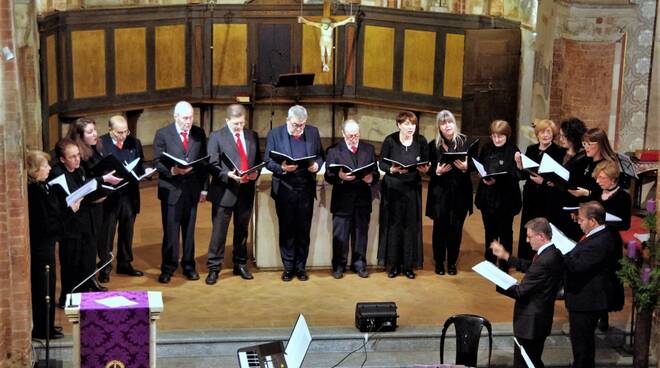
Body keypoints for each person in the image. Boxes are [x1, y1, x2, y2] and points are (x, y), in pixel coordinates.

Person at [490, 217, 564, 368]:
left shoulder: (544, 261)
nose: (527, 240)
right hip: (540, 320)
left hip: (531, 324)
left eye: (530, 237)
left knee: (525, 364)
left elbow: (519, 291)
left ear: (541, 236)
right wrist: (506, 256)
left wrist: (496, 278)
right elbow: (530, 266)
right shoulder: (553, 253)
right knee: (533, 361)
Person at [50, 139, 115, 307]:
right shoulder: (57, 174)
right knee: (71, 266)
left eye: (78, 155)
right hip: (70, 229)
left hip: (86, 224)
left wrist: (99, 192)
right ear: (63, 159)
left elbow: (85, 190)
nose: (77, 159)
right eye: (72, 157)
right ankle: (68, 299)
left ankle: (83, 299)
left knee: (87, 265)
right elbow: (66, 198)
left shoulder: (79, 170)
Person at [264, 105, 324, 281]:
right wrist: (281, 167)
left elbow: (320, 155)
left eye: (303, 125)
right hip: (284, 188)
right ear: (287, 120)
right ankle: (288, 267)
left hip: (305, 188)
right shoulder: (275, 134)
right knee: (287, 229)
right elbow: (267, 161)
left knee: (303, 230)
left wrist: (316, 165)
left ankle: (301, 267)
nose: (299, 129)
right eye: (296, 125)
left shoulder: (313, 132)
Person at [65, 118, 123, 291]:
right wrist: (102, 181)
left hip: (98, 205)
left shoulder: (95, 149)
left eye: (95, 130)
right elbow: (81, 182)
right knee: (85, 247)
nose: (95, 134)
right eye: (89, 132)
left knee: (93, 244)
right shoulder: (78, 155)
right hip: (85, 207)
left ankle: (91, 279)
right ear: (79, 136)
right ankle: (84, 282)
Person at [205, 104, 261, 285]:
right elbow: (212, 164)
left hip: (246, 190)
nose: (239, 127)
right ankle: (214, 267)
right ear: (227, 120)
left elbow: (257, 160)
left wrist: (255, 174)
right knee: (219, 232)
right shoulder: (216, 137)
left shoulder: (252, 135)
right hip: (225, 191)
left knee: (242, 230)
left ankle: (240, 264)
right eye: (235, 124)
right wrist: (227, 174)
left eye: (242, 123)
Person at [153, 101, 208, 284]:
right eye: (185, 118)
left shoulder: (198, 133)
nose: (189, 122)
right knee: (171, 231)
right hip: (172, 189)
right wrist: (173, 171)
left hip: (192, 190)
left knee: (189, 231)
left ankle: (188, 266)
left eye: (191, 117)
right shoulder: (163, 134)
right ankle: (168, 267)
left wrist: (204, 189)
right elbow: (157, 162)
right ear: (176, 116)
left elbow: (204, 163)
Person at [324, 119, 379, 279]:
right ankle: (339, 266)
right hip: (342, 200)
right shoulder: (334, 150)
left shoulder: (368, 149)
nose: (353, 139)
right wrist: (339, 176)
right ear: (343, 134)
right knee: (340, 236)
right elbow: (329, 175)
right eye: (350, 136)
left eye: (356, 135)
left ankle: (359, 265)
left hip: (362, 200)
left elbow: (374, 173)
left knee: (361, 235)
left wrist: (371, 179)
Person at [378, 111, 429, 279]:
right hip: (393, 188)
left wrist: (425, 169)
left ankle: (408, 266)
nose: (410, 127)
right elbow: (382, 163)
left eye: (413, 124)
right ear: (399, 125)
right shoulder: (390, 140)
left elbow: (426, 162)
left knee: (409, 227)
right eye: (407, 124)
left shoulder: (421, 141)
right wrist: (391, 169)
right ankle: (393, 265)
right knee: (394, 227)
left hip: (411, 188)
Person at [564, 201, 615, 368]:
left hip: (587, 301)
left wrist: (560, 251)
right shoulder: (594, 236)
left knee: (583, 346)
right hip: (583, 299)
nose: (578, 222)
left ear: (592, 221)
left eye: (580, 220)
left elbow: (578, 267)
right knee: (581, 345)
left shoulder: (600, 241)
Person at [426, 110, 476, 276]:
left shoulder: (466, 142)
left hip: (460, 193)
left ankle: (452, 262)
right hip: (440, 193)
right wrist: (437, 171)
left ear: (455, 124)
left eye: (450, 122)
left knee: (456, 229)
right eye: (443, 123)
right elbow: (427, 168)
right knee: (439, 229)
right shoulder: (433, 145)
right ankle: (439, 262)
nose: (447, 126)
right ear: (439, 126)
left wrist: (466, 167)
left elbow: (476, 166)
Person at [97, 115, 146, 282]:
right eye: (119, 133)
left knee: (127, 231)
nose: (124, 135)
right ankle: (105, 267)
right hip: (110, 197)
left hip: (129, 195)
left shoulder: (134, 143)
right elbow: (97, 170)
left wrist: (143, 172)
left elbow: (141, 164)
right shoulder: (100, 143)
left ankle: (125, 263)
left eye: (126, 131)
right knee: (107, 235)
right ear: (110, 130)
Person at [26, 150, 67, 340]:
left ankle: (48, 325)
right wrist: (67, 212)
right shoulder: (34, 192)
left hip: (48, 244)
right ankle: (42, 329)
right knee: (43, 289)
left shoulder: (42, 186)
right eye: (45, 166)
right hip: (41, 247)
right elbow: (44, 222)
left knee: (50, 287)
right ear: (34, 171)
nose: (50, 168)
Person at [514, 119, 565, 260]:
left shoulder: (559, 152)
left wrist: (544, 181)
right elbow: (524, 174)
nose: (545, 135)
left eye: (549, 132)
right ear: (537, 134)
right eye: (542, 132)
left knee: (543, 228)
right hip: (531, 194)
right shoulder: (531, 149)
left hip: (547, 196)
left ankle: (542, 260)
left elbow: (559, 178)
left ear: (553, 134)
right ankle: (526, 258)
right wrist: (519, 164)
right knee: (529, 225)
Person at [475, 120, 521, 268]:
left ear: (507, 135)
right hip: (488, 197)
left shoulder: (513, 150)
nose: (496, 140)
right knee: (490, 231)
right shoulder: (487, 148)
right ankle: (490, 259)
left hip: (505, 199)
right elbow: (481, 167)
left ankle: (504, 263)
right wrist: (481, 175)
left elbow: (517, 175)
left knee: (505, 233)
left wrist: (498, 180)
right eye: (494, 136)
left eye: (500, 136)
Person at [592, 160, 630, 331]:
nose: (598, 181)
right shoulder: (596, 194)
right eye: (597, 177)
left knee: (607, 280)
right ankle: (596, 314)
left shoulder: (623, 197)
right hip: (594, 241)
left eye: (601, 178)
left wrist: (606, 222)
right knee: (594, 279)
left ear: (613, 179)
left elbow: (625, 224)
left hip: (610, 244)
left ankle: (604, 316)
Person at [555, 118, 588, 241]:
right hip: (559, 201)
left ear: (573, 137)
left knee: (571, 237)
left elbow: (580, 181)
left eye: (564, 136)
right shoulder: (561, 152)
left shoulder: (583, 157)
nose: (561, 139)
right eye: (560, 136)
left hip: (573, 204)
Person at [568, 127, 618, 202]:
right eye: (584, 143)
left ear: (600, 144)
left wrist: (586, 193)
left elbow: (606, 195)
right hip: (577, 202)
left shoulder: (607, 165)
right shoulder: (583, 159)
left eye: (589, 144)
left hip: (595, 206)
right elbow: (570, 174)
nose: (586, 147)